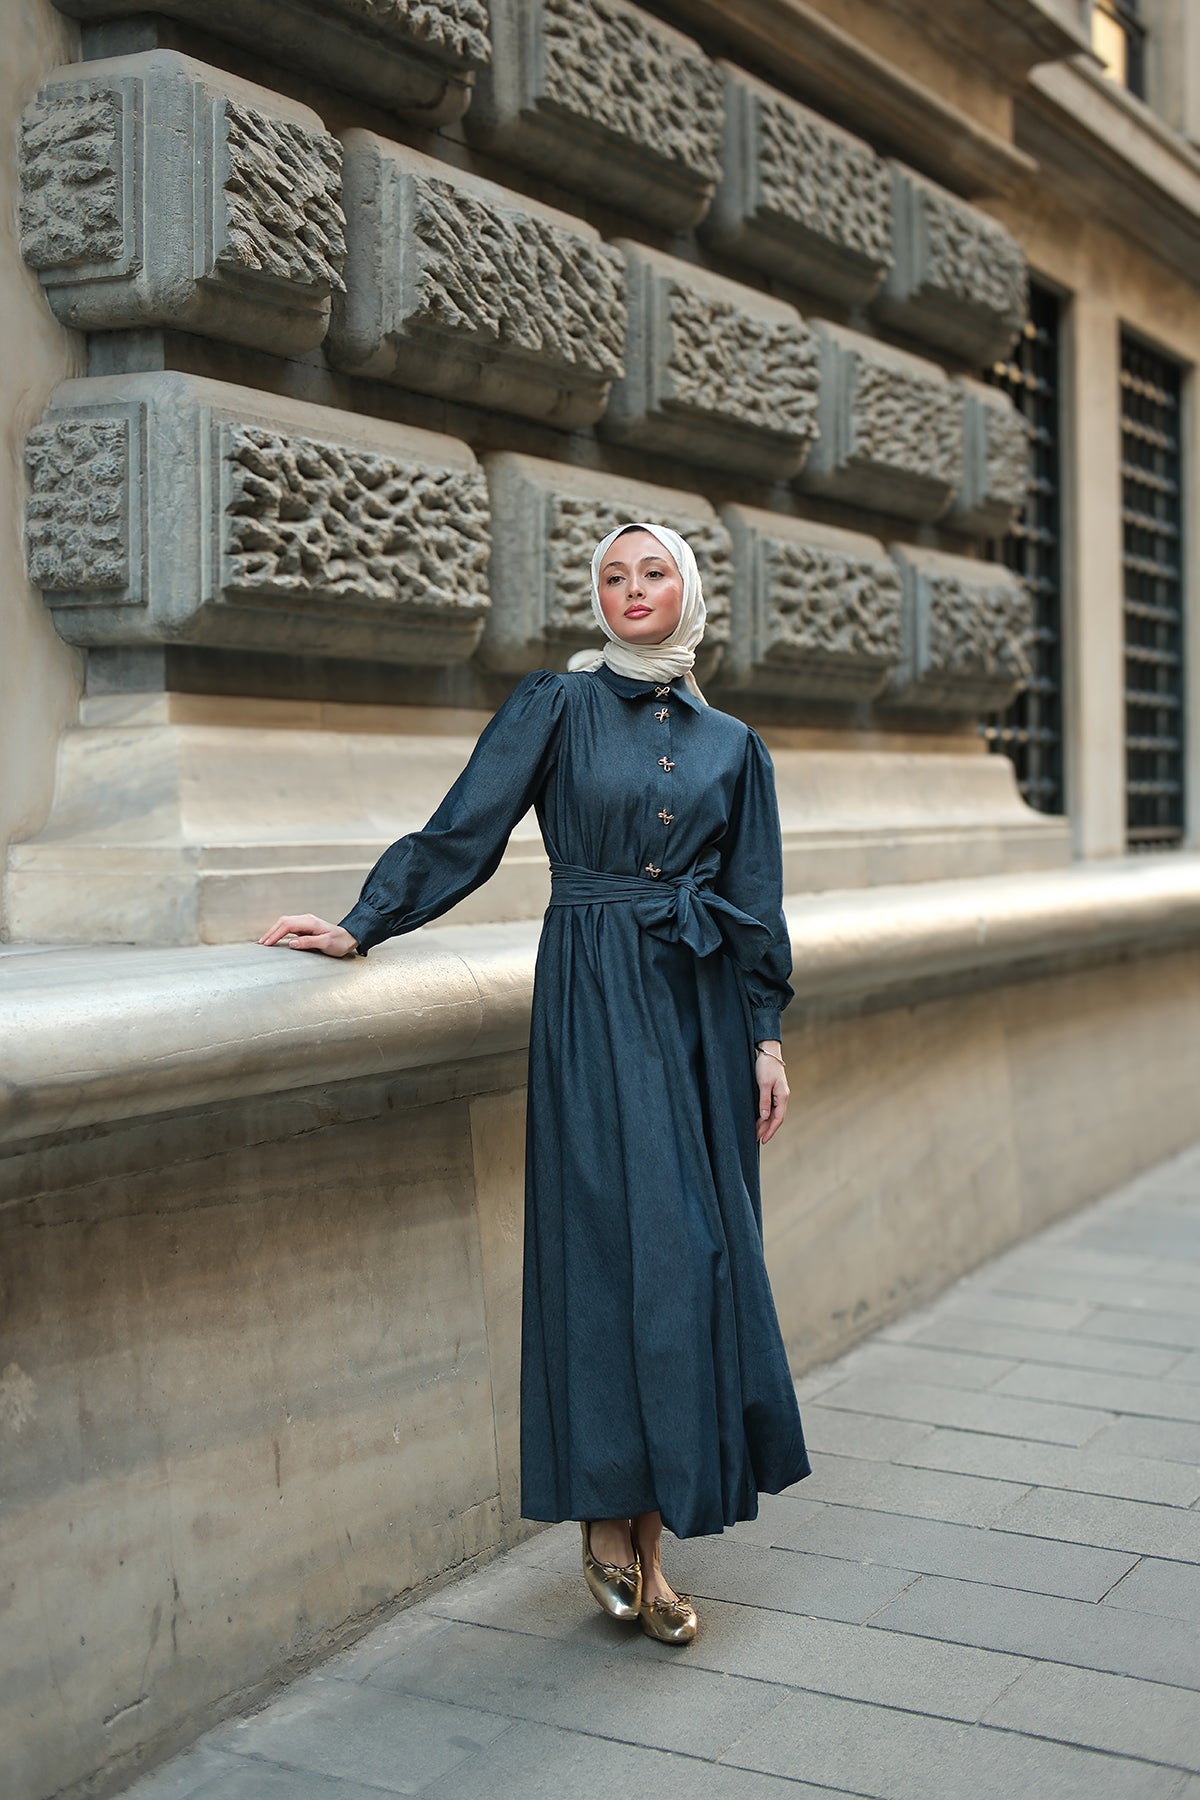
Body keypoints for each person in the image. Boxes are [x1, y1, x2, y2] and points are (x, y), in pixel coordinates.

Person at [260, 523, 810, 1645]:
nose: (631, 590)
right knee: (618, 1249)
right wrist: (363, 924)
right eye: (612, 576)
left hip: (702, 1012)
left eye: (653, 573)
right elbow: (465, 831)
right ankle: (613, 1521)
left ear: (689, 592)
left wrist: (766, 1036)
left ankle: (653, 1535)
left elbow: (757, 896)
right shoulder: (553, 708)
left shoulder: (733, 745)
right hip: (597, 1000)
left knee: (701, 1261)